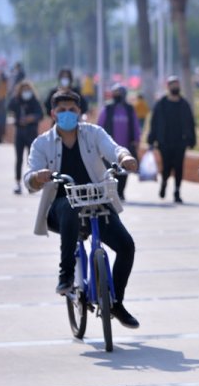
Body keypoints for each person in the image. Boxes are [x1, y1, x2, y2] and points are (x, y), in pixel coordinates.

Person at [23, 88, 140, 328]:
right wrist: (38, 177)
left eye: (72, 110)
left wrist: (125, 158)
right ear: (53, 113)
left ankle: (116, 302)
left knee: (126, 246)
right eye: (62, 110)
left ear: (80, 112)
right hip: (61, 209)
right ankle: (66, 274)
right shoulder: (42, 143)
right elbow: (29, 178)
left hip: (97, 201)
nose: (67, 114)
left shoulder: (93, 133)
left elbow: (114, 149)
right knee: (69, 207)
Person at [146, 75, 196, 203]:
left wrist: (192, 139)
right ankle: (164, 184)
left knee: (179, 167)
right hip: (164, 142)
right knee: (166, 166)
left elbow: (190, 123)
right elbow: (154, 122)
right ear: (168, 87)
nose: (175, 87)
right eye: (172, 85)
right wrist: (152, 139)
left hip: (180, 142)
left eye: (177, 84)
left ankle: (177, 191)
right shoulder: (161, 104)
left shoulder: (184, 104)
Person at [98, 84, 141, 201]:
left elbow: (136, 126)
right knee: (111, 171)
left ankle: (121, 192)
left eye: (119, 93)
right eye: (115, 92)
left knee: (124, 171)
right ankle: (113, 192)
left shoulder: (129, 109)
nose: (117, 95)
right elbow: (100, 126)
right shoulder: (107, 108)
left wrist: (137, 139)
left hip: (125, 146)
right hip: (109, 147)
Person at [8, 80, 43, 194]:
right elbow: (9, 107)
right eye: (23, 90)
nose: (26, 92)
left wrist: (31, 118)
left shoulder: (34, 101)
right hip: (20, 133)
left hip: (31, 133)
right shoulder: (17, 100)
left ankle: (31, 184)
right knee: (19, 159)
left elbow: (40, 115)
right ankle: (18, 183)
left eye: (28, 90)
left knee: (31, 160)